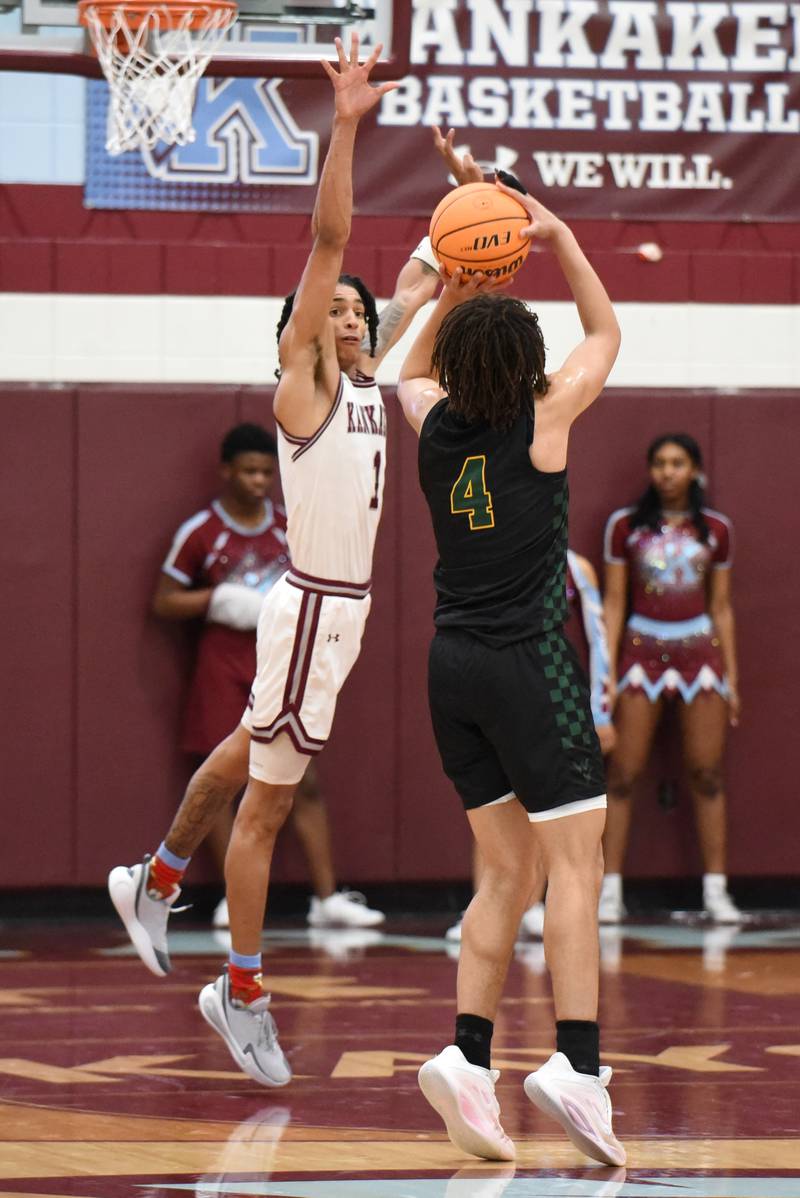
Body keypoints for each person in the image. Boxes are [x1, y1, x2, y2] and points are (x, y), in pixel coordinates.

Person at [108, 35, 439, 1087]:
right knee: (267, 805)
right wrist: (345, 123)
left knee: (253, 757)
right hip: (314, 610)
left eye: (356, 311)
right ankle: (239, 990)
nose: (348, 312)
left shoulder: (367, 380)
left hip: (337, 615)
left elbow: (430, 268)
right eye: (331, 310)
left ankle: (153, 879)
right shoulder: (301, 394)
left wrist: (489, 200)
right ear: (299, 334)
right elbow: (332, 236)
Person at [396, 174, 624, 1165]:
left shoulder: (432, 423)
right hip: (528, 661)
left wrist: (450, 280)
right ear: (531, 364)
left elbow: (406, 367)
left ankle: (467, 1056)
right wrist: (560, 234)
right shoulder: (547, 414)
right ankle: (575, 1061)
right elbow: (605, 332)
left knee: (505, 870)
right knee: (574, 865)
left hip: (451, 667)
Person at [153, 422, 384, 932]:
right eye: (249, 472)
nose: (259, 481)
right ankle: (227, 897)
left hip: (279, 652)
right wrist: (216, 599)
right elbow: (164, 600)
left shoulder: (288, 524)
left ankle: (327, 897)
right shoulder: (201, 532)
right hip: (222, 661)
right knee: (228, 778)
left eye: (266, 471)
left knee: (301, 778)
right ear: (227, 473)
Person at [599, 433, 742, 925]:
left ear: (695, 469)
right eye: (659, 462)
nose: (667, 472)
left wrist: (733, 678)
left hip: (701, 654)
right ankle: (609, 889)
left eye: (677, 463)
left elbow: (721, 606)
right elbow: (614, 603)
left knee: (706, 772)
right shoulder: (625, 527)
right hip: (641, 653)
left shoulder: (717, 529)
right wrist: (609, 674)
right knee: (622, 773)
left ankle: (716, 889)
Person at [445, 548, 616, 943]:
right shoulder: (497, 557)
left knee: (547, 807)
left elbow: (599, 640)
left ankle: (535, 904)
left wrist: (602, 712)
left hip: (558, 700)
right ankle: (482, 903)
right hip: (502, 695)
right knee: (492, 804)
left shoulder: (578, 567)